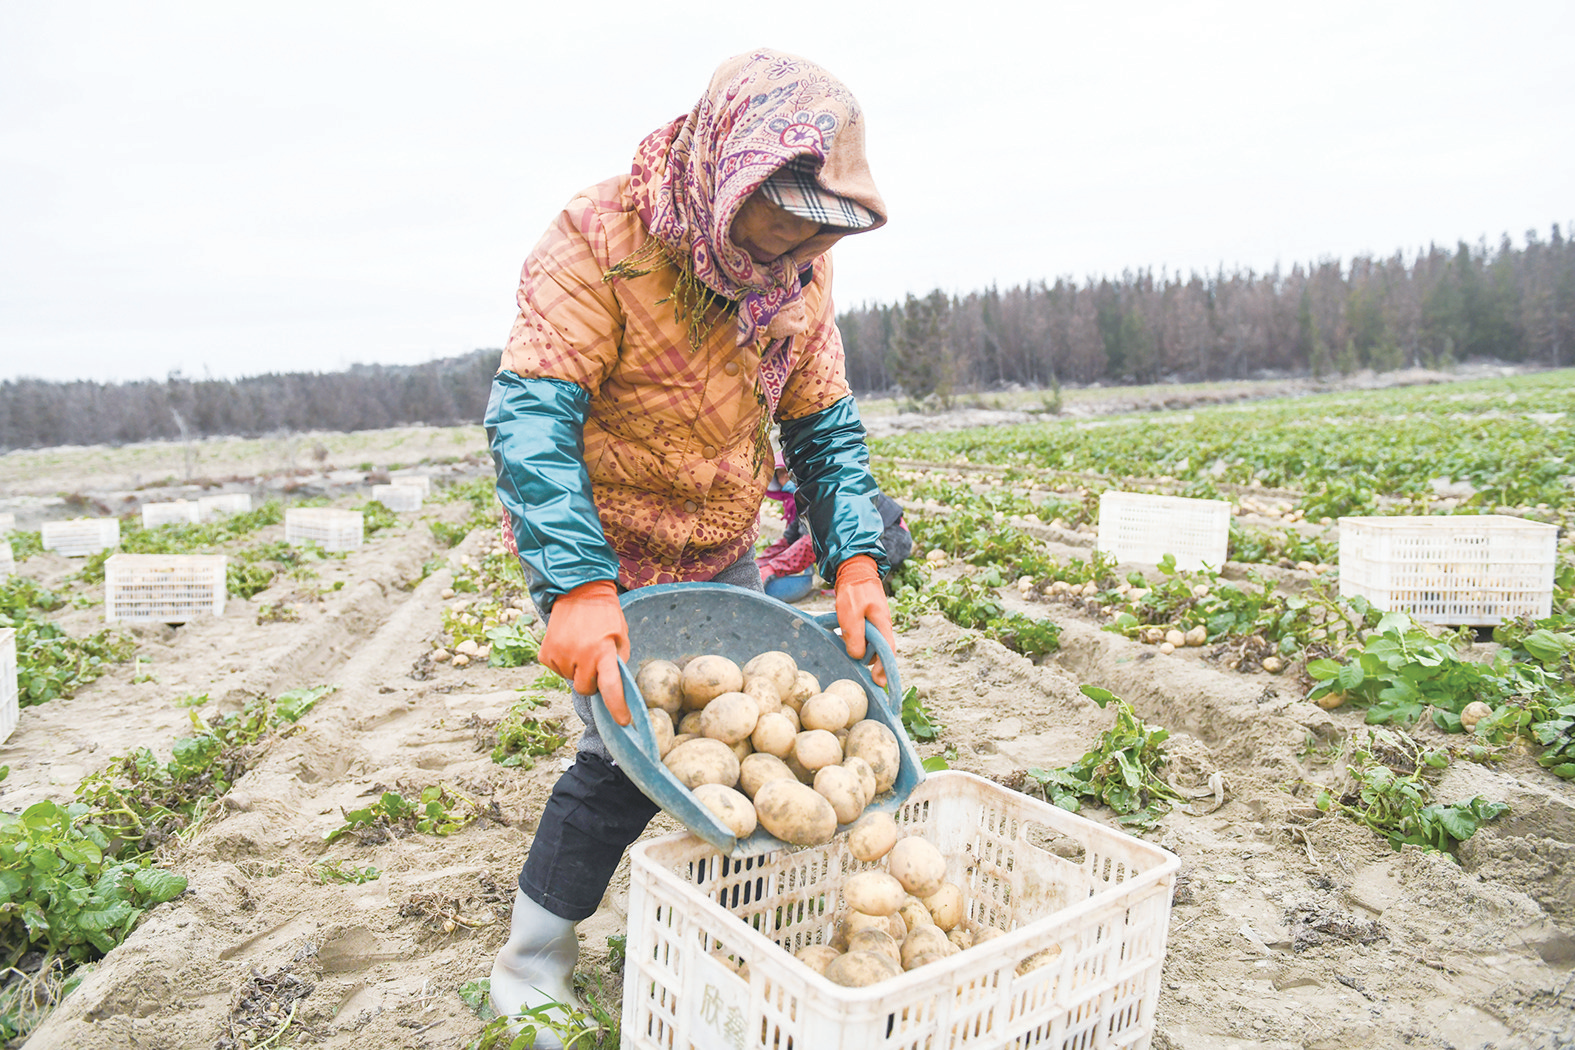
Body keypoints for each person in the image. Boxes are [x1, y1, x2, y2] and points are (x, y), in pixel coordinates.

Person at [483, 49, 896, 1035]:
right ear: (733, 172)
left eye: (821, 227)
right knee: (622, 761)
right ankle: (529, 966)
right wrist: (578, 588)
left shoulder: (797, 272)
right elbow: (530, 421)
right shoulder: (598, 241)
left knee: (747, 749)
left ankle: (732, 939)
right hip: (605, 552)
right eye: (786, 214)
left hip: (721, 538)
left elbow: (822, 423)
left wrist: (855, 555)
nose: (800, 245)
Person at [758, 451, 912, 602]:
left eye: (788, 472)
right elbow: (789, 540)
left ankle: (858, 585)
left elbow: (811, 543)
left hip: (891, 538)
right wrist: (759, 564)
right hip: (872, 539)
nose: (786, 478)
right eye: (780, 475)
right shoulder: (804, 501)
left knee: (833, 544)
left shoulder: (825, 490)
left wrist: (773, 568)